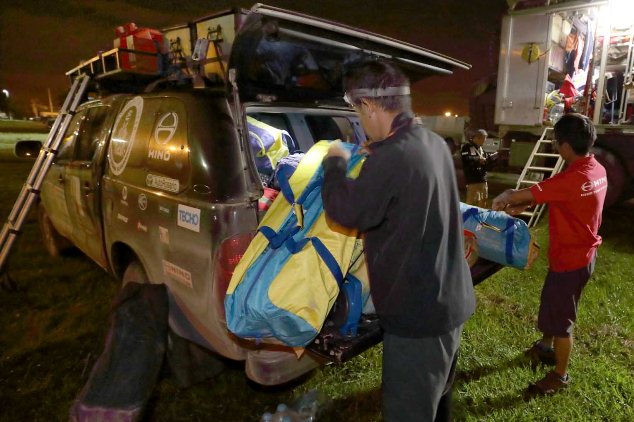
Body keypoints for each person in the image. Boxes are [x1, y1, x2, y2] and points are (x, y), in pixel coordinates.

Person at [321, 59, 475, 421]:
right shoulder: (433, 143)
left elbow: (345, 210)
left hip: (418, 319)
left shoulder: (391, 157)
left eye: (358, 112)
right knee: (436, 402)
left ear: (370, 106)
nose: (360, 122)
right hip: (450, 300)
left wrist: (334, 163)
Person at [491, 113, 607, 395]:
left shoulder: (572, 179)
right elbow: (564, 199)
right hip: (582, 255)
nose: (556, 146)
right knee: (553, 304)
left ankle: (560, 375)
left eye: (557, 142)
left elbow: (523, 195)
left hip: (571, 260)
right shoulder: (596, 169)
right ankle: (545, 346)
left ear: (565, 145)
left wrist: (507, 197)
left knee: (562, 320)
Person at [461, 128, 497, 207]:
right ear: (477, 138)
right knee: (471, 201)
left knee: (483, 200)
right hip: (472, 179)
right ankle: (467, 217)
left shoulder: (481, 149)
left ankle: (480, 217)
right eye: (484, 139)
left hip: (482, 178)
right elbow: (466, 158)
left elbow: (485, 160)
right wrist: (478, 160)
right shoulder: (467, 147)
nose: (485, 141)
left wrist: (492, 158)